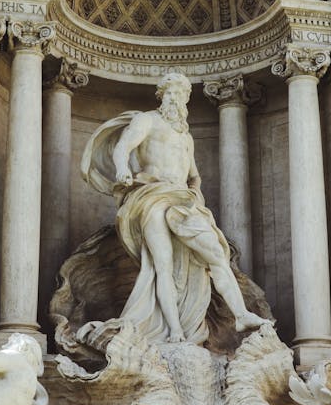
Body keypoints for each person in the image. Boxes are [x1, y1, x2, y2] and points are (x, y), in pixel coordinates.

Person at [81, 72, 267, 344]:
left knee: (215, 253)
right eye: (172, 93)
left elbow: (193, 175)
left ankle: (241, 314)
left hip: (183, 200)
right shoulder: (147, 121)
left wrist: (197, 194)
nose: (176, 99)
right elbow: (123, 146)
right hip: (152, 195)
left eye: (182, 95)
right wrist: (122, 168)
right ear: (162, 96)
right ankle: (174, 330)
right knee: (162, 265)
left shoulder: (186, 137)